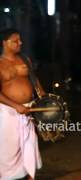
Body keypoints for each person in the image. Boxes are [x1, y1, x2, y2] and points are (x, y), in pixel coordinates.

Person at [0, 28, 44, 180]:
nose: (20, 42)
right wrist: (16, 106)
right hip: (8, 112)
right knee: (9, 149)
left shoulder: (25, 59)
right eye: (16, 40)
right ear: (4, 43)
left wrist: (43, 97)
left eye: (20, 39)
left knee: (29, 146)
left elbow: (34, 79)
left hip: (28, 109)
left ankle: (29, 176)